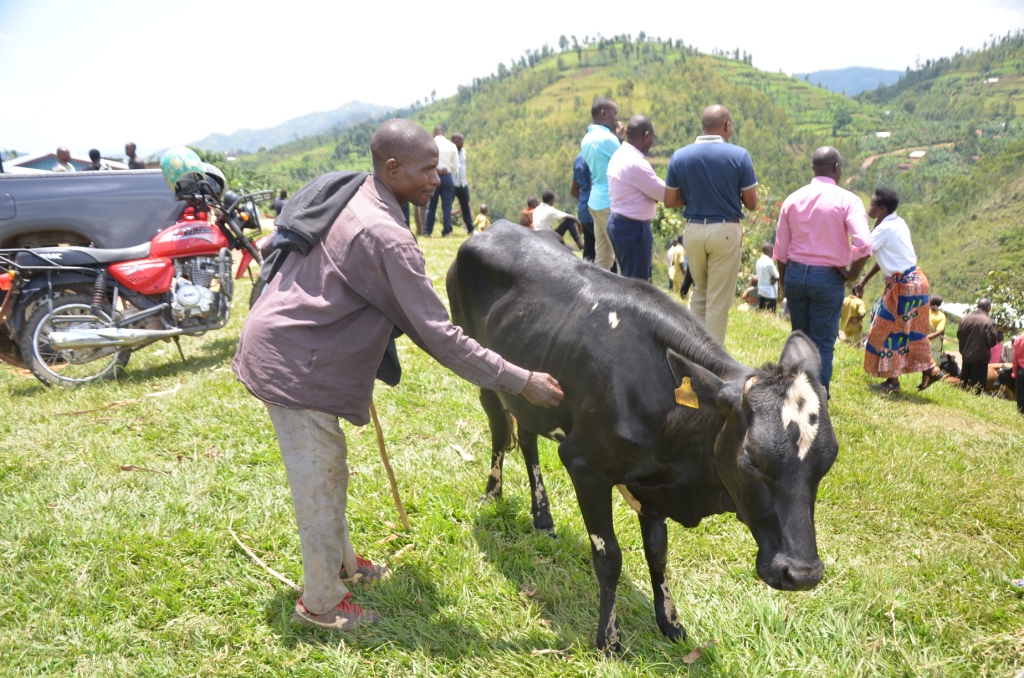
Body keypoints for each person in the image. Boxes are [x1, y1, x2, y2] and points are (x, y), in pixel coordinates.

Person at [232, 119, 564, 632]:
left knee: (329, 466)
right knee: (319, 475)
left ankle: (344, 565)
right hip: (297, 361)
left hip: (299, 341)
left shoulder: (358, 192)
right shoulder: (387, 235)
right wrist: (521, 380)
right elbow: (441, 337)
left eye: (438, 167)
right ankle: (320, 602)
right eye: (427, 169)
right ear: (392, 169)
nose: (437, 178)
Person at [774, 147, 871, 394]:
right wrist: (852, 275)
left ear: (813, 169)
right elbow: (864, 244)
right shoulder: (848, 200)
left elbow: (780, 250)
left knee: (799, 339)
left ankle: (795, 394)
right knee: (823, 346)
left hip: (795, 274)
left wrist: (786, 284)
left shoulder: (793, 199)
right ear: (837, 168)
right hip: (827, 278)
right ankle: (818, 399)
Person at [664, 105, 758, 344]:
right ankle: (713, 363)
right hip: (725, 229)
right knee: (718, 299)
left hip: (693, 230)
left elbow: (670, 200)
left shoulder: (680, 156)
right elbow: (752, 203)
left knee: (699, 293)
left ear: (703, 126)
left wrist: (696, 195)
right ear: (727, 126)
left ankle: (692, 350)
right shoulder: (739, 155)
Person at [853, 188, 942, 393]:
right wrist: (864, 280)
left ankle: (893, 382)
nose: (869, 208)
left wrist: (844, 267)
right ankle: (930, 369)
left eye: (872, 204)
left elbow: (863, 251)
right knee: (909, 333)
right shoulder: (897, 222)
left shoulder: (883, 230)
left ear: (882, 208)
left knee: (884, 330)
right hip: (916, 282)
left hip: (903, 286)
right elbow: (883, 256)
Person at [606, 115, 666, 280]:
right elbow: (664, 194)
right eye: (653, 137)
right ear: (646, 136)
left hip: (619, 222)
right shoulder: (635, 162)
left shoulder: (620, 155)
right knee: (637, 285)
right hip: (632, 228)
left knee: (628, 279)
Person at [580, 97, 623, 270]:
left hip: (595, 201)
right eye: (615, 113)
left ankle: (598, 295)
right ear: (604, 113)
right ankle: (626, 296)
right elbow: (627, 163)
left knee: (603, 256)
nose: (617, 118)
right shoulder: (608, 139)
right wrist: (620, 140)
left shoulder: (587, 139)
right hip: (610, 202)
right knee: (622, 255)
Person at [956, 298, 998, 393]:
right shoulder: (988, 321)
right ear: (988, 308)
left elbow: (959, 335)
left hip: (966, 357)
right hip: (980, 360)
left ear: (977, 306)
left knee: (964, 385)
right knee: (978, 388)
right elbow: (991, 342)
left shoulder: (965, 319)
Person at [424, 125, 458, 237]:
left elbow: (425, 161)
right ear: (444, 133)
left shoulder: (430, 143)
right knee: (447, 206)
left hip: (433, 176)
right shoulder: (451, 145)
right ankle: (447, 231)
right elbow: (456, 166)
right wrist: (447, 166)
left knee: (432, 205)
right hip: (447, 177)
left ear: (434, 132)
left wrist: (437, 169)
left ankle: (428, 231)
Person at [570, 153, 595, 261]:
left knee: (589, 250)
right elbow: (593, 184)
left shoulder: (579, 158)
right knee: (606, 252)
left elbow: (573, 191)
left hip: (583, 211)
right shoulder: (594, 157)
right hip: (596, 212)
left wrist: (585, 200)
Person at [451, 133, 474, 233]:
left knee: (465, 207)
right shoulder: (450, 151)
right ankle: (448, 229)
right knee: (448, 207)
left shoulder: (463, 152)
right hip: (452, 183)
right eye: (461, 140)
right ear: (455, 140)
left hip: (463, 183)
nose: (463, 142)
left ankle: (470, 229)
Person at [755, 242, 779, 312]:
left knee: (761, 314)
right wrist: (776, 278)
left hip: (761, 291)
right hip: (770, 293)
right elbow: (778, 276)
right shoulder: (769, 262)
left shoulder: (759, 261)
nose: (773, 253)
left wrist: (775, 278)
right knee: (771, 314)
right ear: (769, 249)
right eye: (772, 250)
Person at [926, 295, 946, 361]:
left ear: (930, 302)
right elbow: (939, 332)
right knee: (934, 368)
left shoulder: (924, 312)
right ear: (940, 305)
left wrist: (924, 338)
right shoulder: (941, 316)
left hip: (923, 344)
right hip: (935, 347)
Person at [1011, 330, 1024, 415]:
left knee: (1021, 395)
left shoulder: (1019, 338)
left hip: (1022, 371)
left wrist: (1015, 373)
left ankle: (1021, 414)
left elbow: (1015, 359)